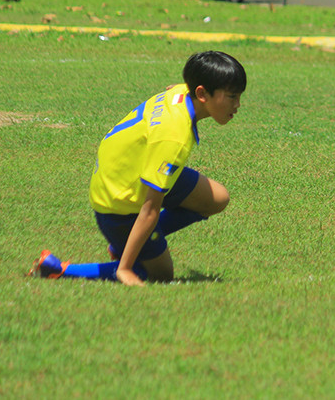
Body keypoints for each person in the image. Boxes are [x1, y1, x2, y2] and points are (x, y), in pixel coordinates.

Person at [28, 51, 246, 286]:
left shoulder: (182, 92)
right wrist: (125, 268)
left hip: (132, 170)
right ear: (202, 93)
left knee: (217, 198)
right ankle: (58, 269)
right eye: (232, 96)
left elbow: (174, 86)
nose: (238, 104)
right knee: (160, 275)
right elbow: (150, 208)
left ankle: (126, 243)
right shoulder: (173, 137)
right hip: (119, 202)